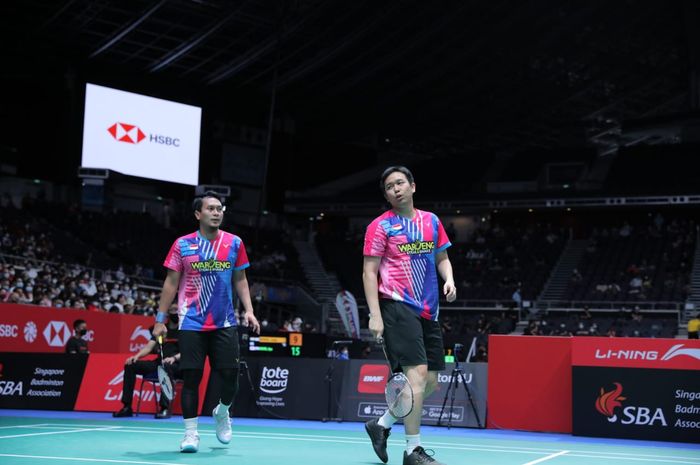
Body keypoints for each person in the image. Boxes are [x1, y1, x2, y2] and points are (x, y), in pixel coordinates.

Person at [153, 191, 260, 453]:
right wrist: (160, 319)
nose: (216, 212)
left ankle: (222, 411)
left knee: (230, 378)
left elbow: (241, 279)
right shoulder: (182, 245)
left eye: (219, 208)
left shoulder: (234, 243)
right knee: (192, 378)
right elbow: (170, 282)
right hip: (191, 322)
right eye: (211, 208)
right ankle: (191, 434)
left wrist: (249, 310)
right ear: (198, 214)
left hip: (224, 322)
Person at [362, 166, 456, 465]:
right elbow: (369, 271)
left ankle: (381, 424)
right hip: (396, 304)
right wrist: (375, 315)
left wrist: (449, 278)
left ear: (413, 186)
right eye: (390, 187)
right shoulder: (380, 226)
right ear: (387, 195)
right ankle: (412, 451)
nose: (396, 189)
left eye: (401, 183)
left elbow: (441, 256)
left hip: (429, 309)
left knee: (429, 382)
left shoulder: (431, 221)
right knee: (415, 377)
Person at [113, 310, 181, 419]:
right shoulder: (162, 329)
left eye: (176, 310)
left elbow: (188, 351)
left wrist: (173, 358)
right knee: (130, 365)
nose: (175, 312)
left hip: (177, 365)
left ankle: (164, 408)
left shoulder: (185, 329)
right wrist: (136, 356)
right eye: (172, 310)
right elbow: (149, 347)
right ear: (168, 313)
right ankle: (127, 407)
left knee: (166, 367)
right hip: (159, 364)